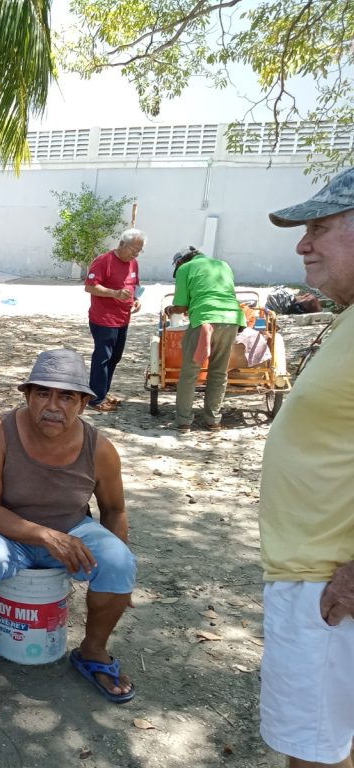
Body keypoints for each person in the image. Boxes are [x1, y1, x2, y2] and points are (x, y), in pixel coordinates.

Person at [0, 349, 136, 710]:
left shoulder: (100, 449)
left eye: (66, 396)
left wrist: (117, 577)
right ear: (27, 396)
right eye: (42, 394)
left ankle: (93, 651)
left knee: (119, 560)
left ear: (83, 403)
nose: (53, 405)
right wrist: (45, 536)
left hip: (71, 527)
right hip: (3, 529)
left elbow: (114, 510)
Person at [260, 168, 354, 768]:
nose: (302, 244)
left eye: (319, 228)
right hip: (316, 575)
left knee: (314, 757)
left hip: (328, 585)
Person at [165, 247, 244, 431]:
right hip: (232, 320)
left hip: (204, 320)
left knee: (190, 373)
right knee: (219, 372)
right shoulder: (223, 265)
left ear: (179, 263)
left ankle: (184, 421)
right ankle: (213, 420)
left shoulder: (186, 268)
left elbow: (181, 306)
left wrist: (170, 310)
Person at [83, 229, 145, 411]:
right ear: (122, 244)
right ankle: (95, 398)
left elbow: (135, 284)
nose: (135, 254)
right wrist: (114, 293)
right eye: (133, 250)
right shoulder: (104, 261)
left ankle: (103, 391)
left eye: (139, 251)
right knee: (103, 357)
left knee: (115, 357)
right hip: (104, 318)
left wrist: (136, 299)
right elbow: (90, 287)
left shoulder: (133, 263)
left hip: (123, 318)